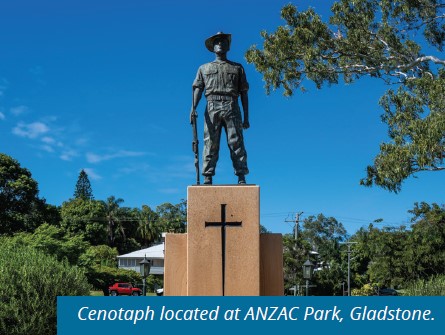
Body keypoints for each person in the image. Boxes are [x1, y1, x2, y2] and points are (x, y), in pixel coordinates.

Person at [190, 32, 250, 185]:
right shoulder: (204, 68)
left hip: (232, 105)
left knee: (236, 142)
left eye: (223, 42)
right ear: (213, 47)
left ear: (228, 46)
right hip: (211, 106)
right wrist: (193, 108)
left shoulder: (237, 68)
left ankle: (241, 175)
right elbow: (198, 89)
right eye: (217, 42)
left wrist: (246, 117)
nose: (220, 44)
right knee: (210, 142)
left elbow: (244, 93)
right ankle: (207, 176)